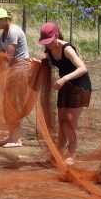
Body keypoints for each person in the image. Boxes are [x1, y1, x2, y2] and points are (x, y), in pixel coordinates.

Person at [38, 22, 91, 162]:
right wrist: (35, 62)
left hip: (79, 86)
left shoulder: (66, 49)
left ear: (56, 35)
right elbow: (48, 63)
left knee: (70, 122)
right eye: (45, 42)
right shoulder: (49, 50)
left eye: (49, 41)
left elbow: (83, 68)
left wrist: (64, 79)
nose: (47, 44)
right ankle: (59, 152)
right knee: (62, 121)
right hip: (64, 86)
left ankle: (71, 154)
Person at [0, 7, 31, 147]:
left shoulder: (13, 32)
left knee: (14, 103)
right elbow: (0, 55)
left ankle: (17, 139)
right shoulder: (3, 35)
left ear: (3, 20)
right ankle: (11, 136)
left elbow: (8, 56)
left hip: (20, 71)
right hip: (12, 71)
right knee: (9, 103)